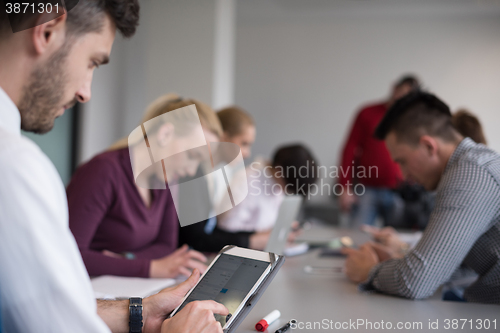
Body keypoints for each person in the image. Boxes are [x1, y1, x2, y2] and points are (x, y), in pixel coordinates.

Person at [0, 2, 227, 332]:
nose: (86, 93)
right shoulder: (17, 167)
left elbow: (46, 304)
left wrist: (141, 311)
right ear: (47, 31)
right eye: (92, 62)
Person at [342, 91, 500, 304]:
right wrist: (399, 263)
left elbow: (417, 281)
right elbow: (455, 267)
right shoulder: (472, 164)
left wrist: (370, 271)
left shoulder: (470, 174)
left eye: (403, 161)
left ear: (429, 146)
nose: (402, 174)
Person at [67, 94, 222, 278]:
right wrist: (150, 267)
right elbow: (70, 256)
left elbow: (166, 247)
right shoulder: (103, 171)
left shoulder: (164, 179)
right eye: (192, 156)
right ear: (165, 135)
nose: (191, 171)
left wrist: (127, 259)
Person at [338, 75, 420, 227]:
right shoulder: (367, 113)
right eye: (400, 93)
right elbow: (349, 150)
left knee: (398, 241)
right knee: (356, 237)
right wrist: (344, 187)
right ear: (394, 88)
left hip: (399, 191)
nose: (402, 99)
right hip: (367, 188)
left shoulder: (410, 120)